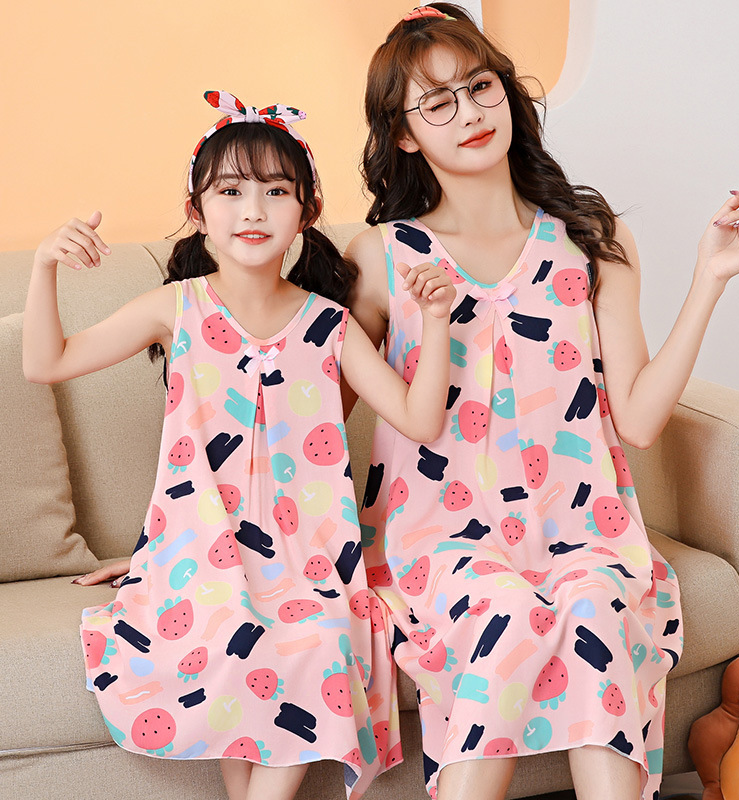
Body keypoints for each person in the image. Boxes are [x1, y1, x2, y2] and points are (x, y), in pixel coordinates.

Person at [344, 6, 739, 800]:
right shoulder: (382, 258)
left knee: (599, 613)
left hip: (584, 531)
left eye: (480, 86)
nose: (469, 112)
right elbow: (305, 416)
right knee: (506, 616)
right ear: (402, 134)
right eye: (437, 102)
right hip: (445, 541)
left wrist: (709, 278)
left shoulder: (588, 237)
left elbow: (637, 420)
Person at [23, 90, 456, 800]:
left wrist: (435, 321)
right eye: (230, 191)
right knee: (232, 638)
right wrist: (44, 267)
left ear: (308, 211)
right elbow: (47, 362)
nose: (253, 210)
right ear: (197, 211)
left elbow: (420, 418)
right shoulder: (178, 307)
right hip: (199, 552)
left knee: (323, 639)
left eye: (276, 191)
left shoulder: (330, 325)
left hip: (312, 558)